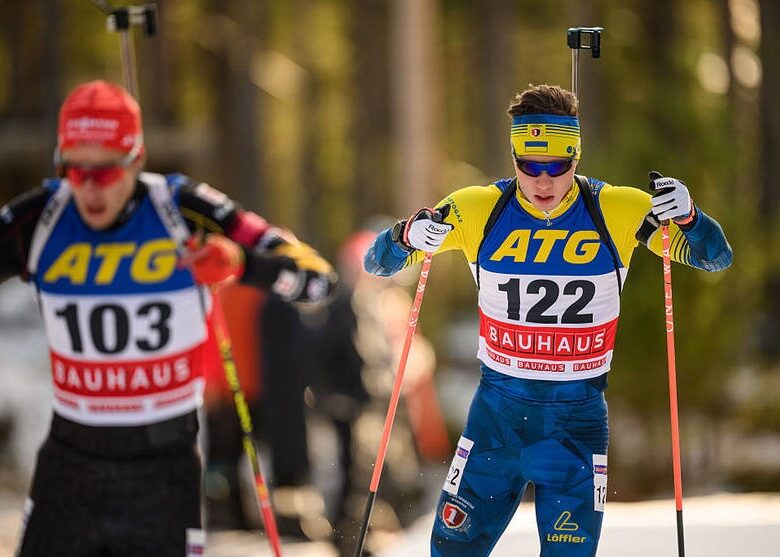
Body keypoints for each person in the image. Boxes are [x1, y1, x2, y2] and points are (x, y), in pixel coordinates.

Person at [363, 83, 732, 556]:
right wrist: (404, 235)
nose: (542, 182)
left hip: (575, 424)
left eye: (557, 167)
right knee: (452, 551)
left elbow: (714, 259)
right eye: (528, 166)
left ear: (576, 157)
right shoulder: (479, 208)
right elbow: (377, 265)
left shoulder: (616, 208)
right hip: (496, 420)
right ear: (513, 155)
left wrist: (690, 218)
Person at [0, 79, 336, 557]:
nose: (90, 189)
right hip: (69, 464)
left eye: (106, 171)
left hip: (161, 470)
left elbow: (317, 279)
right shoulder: (39, 219)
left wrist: (241, 263)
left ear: (135, 160)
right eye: (77, 171)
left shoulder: (183, 209)